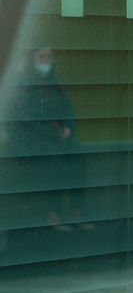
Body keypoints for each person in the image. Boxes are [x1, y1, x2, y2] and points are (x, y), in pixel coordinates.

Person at [3, 46, 88, 232]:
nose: (46, 60)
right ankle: (54, 214)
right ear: (33, 59)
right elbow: (21, 119)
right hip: (33, 140)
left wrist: (67, 127)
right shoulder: (23, 83)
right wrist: (53, 132)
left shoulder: (56, 82)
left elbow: (67, 108)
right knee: (54, 166)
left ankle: (76, 212)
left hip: (58, 136)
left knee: (78, 157)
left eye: (49, 56)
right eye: (42, 56)